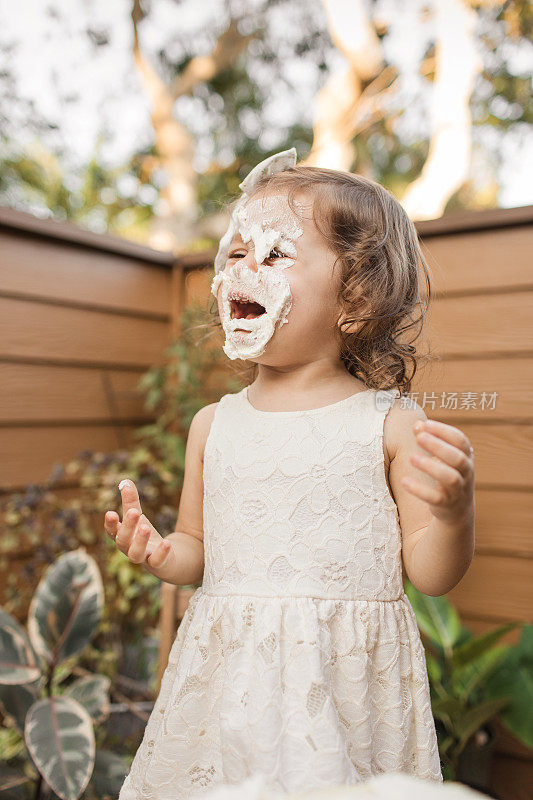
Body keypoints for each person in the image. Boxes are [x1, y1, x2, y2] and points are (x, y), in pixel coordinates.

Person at [106, 149, 476, 799]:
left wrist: (451, 514)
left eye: (274, 254)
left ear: (354, 300)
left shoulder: (389, 422)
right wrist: (163, 553)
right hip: (229, 682)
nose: (245, 267)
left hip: (343, 692)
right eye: (235, 252)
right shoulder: (212, 424)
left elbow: (430, 573)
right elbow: (198, 550)